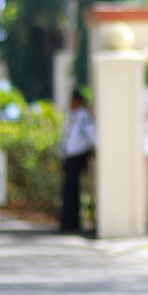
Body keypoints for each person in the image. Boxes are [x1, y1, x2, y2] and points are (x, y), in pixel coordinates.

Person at [58, 90, 97, 235]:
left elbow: (92, 135)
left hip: (78, 156)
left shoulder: (83, 117)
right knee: (68, 190)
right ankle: (68, 221)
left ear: (78, 101)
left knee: (73, 190)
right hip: (69, 156)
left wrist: (95, 148)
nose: (71, 103)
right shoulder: (71, 116)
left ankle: (72, 222)